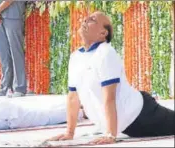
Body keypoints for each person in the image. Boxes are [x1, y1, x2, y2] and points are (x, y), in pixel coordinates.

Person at [47, 11, 175, 145]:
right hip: (127, 124)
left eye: (92, 20)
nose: (85, 20)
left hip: (142, 114)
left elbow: (109, 97)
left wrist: (110, 135)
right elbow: (73, 97)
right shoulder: (75, 57)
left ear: (103, 33)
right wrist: (69, 133)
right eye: (86, 19)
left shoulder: (106, 52)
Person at [0, 1, 27, 97]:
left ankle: (19, 87)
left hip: (12, 13)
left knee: (15, 51)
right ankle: (4, 87)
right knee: (3, 53)